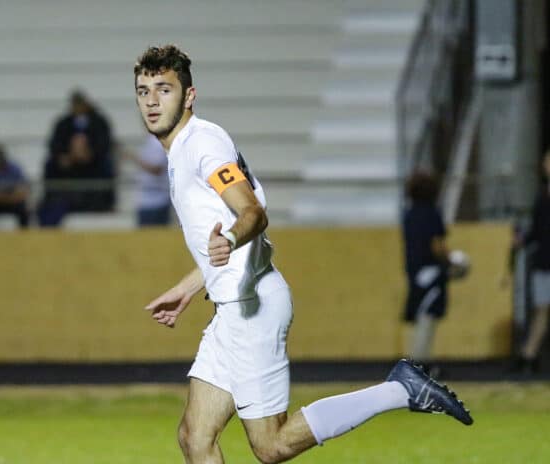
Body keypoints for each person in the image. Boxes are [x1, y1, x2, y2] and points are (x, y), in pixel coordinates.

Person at [135, 45, 472, 464]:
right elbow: (227, 241)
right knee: (194, 437)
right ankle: (402, 388)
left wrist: (233, 238)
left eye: (163, 89)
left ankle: (400, 389)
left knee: (271, 445)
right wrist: (188, 287)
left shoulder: (202, 145)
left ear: (189, 96)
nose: (151, 100)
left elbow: (252, 213)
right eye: (143, 90)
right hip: (233, 308)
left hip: (251, 311)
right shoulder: (184, 148)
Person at [38, 91, 116, 226]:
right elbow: (55, 145)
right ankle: (52, 196)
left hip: (93, 164)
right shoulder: (64, 123)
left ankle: (105, 200)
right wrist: (67, 155)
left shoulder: (98, 122)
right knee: (50, 164)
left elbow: (105, 144)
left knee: (107, 164)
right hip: (69, 167)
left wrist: (89, 153)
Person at [401, 172, 453, 370]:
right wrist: (450, 261)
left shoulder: (409, 214)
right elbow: (437, 245)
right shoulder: (432, 213)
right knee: (428, 317)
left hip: (414, 272)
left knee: (419, 316)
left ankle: (417, 360)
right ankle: (420, 363)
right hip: (431, 272)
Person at [512, 151, 550, 372]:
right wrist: (522, 240)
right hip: (544, 262)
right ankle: (529, 355)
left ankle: (529, 354)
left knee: (542, 310)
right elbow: (537, 230)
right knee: (542, 310)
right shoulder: (542, 196)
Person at [132, 134, 171, 226]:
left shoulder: (158, 142)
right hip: (145, 200)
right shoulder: (150, 141)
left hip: (156, 201)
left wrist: (134, 159)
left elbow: (157, 169)